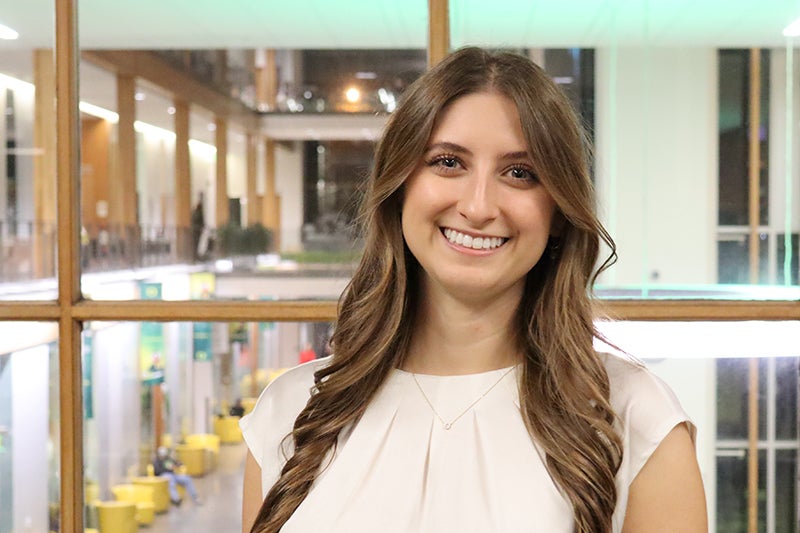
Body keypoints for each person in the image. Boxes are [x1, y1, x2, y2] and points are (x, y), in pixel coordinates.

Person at [241, 47, 707, 533]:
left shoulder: (638, 421)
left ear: (559, 214)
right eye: (447, 162)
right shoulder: (290, 413)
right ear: (400, 188)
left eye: (520, 173)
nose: (479, 206)